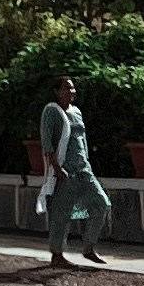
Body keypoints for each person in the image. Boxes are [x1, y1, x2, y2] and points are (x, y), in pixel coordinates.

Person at [36, 76, 113, 268]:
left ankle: (88, 247)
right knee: (61, 214)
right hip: (65, 171)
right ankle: (57, 254)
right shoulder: (52, 112)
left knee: (101, 203)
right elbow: (47, 142)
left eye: (72, 89)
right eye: (66, 89)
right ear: (56, 92)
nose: (71, 92)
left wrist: (86, 162)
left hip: (83, 169)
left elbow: (82, 141)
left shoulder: (77, 112)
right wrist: (57, 168)